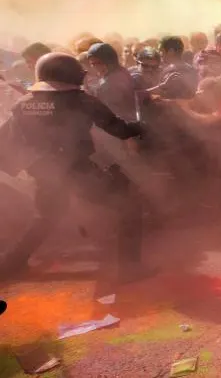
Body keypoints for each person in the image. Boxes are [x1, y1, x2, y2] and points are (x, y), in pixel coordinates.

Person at [0, 53, 148, 283]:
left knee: (46, 218)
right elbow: (118, 129)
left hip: (44, 173)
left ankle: (10, 265)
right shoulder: (82, 100)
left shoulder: (23, 104)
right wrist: (140, 127)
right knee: (129, 206)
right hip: (78, 171)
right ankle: (130, 269)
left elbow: (8, 140)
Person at [86, 42, 137, 120]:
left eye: (100, 63)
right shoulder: (121, 71)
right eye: (93, 64)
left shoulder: (110, 83)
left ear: (110, 60)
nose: (97, 67)